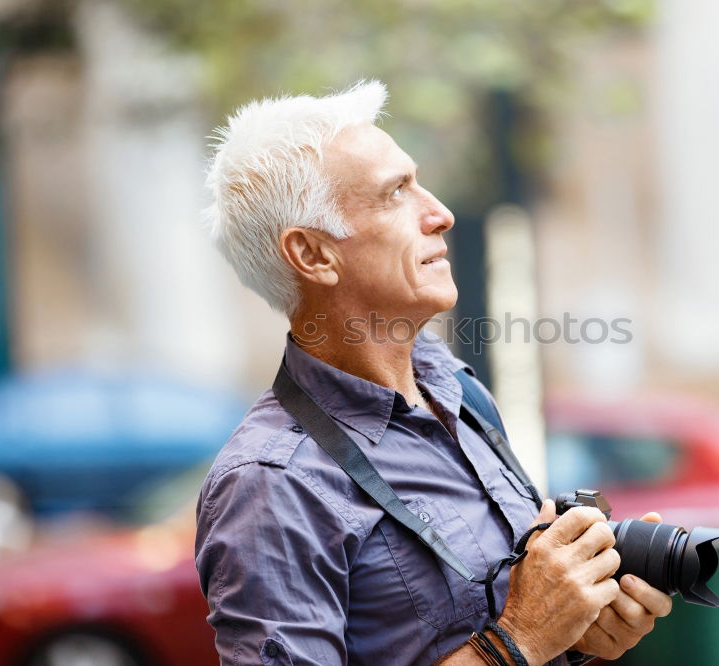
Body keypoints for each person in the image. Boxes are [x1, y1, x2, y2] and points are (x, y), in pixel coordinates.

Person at [195, 80, 672, 666]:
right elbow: (515, 638)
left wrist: (574, 636)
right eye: (395, 194)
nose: (440, 214)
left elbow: (515, 632)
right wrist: (518, 639)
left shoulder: (456, 387)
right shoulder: (271, 485)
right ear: (314, 255)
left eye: (417, 181)